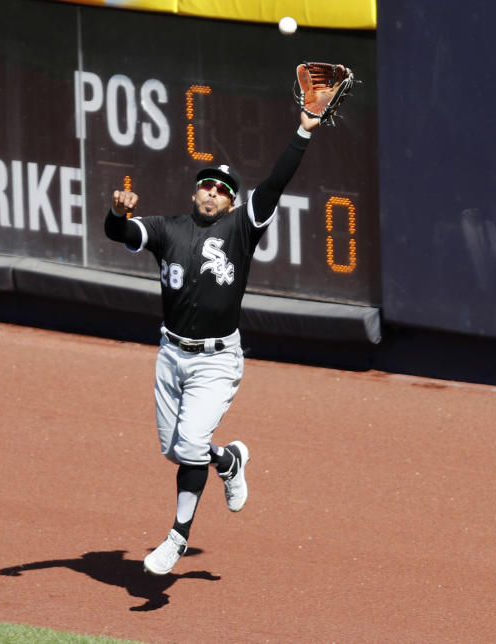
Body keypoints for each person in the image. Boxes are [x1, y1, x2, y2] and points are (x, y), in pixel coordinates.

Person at [104, 110, 322, 575]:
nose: (213, 192)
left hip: (216, 360)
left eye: (223, 190)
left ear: (231, 203)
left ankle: (177, 537)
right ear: (195, 191)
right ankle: (229, 460)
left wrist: (303, 128)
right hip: (170, 354)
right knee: (175, 450)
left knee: (187, 446)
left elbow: (276, 183)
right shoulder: (167, 230)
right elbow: (119, 232)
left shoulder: (243, 229)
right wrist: (117, 211)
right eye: (207, 184)